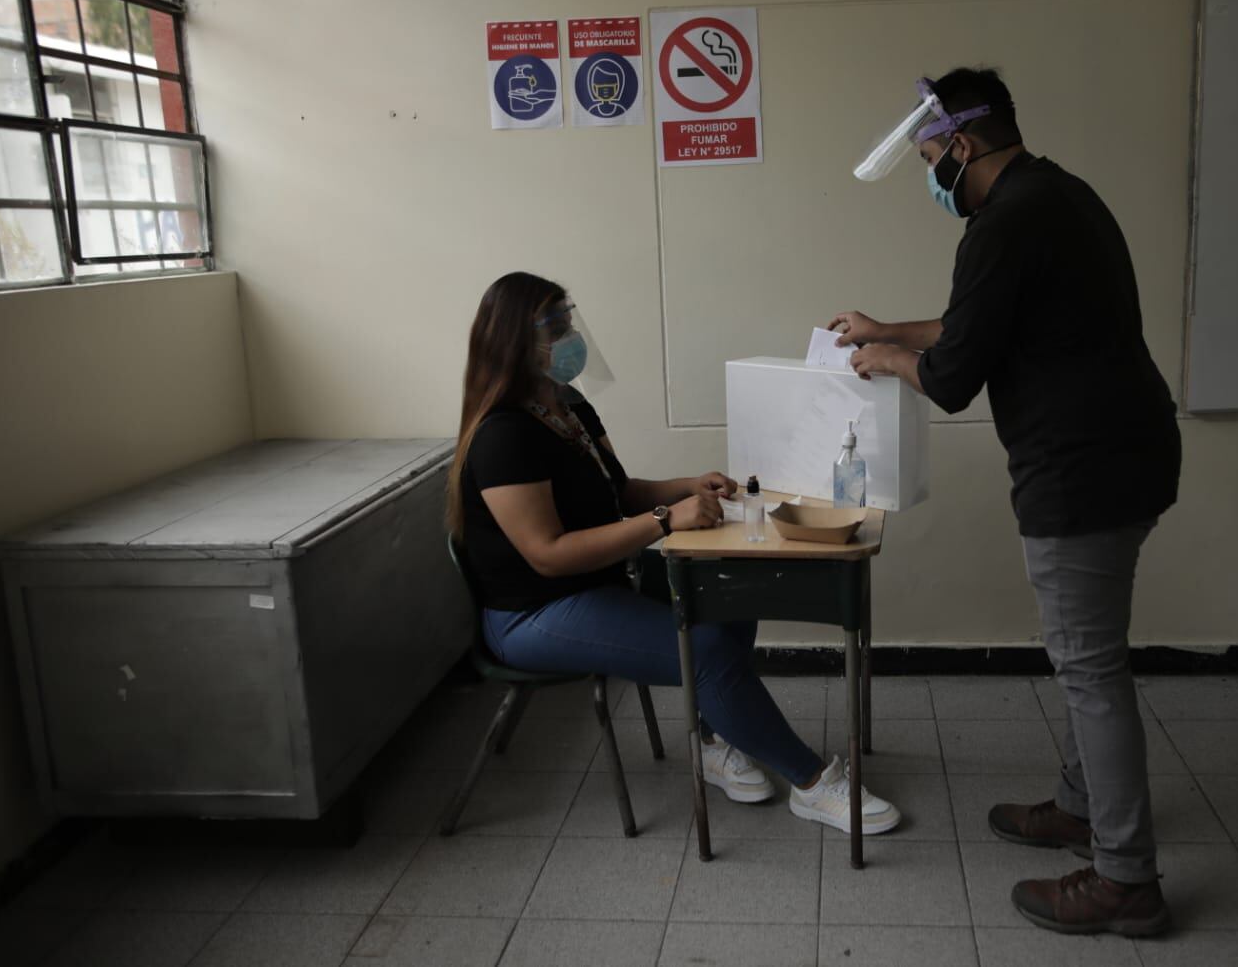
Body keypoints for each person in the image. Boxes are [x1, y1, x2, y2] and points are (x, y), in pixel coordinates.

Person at [833, 68, 1180, 936]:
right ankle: (1082, 806)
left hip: (1081, 469)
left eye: (929, 161)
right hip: (1128, 449)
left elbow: (952, 376)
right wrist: (887, 328)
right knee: (1089, 658)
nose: (931, 179)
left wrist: (886, 362)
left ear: (960, 144)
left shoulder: (1001, 224)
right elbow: (979, 325)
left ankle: (1125, 880)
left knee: (1091, 671)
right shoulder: (1057, 195)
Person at [446, 271, 900, 834]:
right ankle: (810, 784)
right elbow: (548, 555)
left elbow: (617, 490)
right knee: (705, 653)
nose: (570, 338)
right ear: (515, 341)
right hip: (534, 611)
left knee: (729, 588)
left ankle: (712, 739)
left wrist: (685, 487)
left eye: (568, 321)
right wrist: (664, 520)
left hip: (599, 578)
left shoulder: (568, 406)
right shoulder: (503, 436)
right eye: (554, 327)